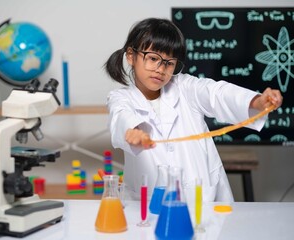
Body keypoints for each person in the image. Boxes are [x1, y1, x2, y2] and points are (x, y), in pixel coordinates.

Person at [104, 18, 283, 202]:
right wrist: (132, 131)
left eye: (169, 62)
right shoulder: (120, 98)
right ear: (131, 56)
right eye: (153, 58)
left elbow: (217, 93)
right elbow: (121, 116)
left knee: (211, 229)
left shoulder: (185, 86)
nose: (160, 69)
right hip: (151, 202)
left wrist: (256, 101)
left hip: (203, 197)